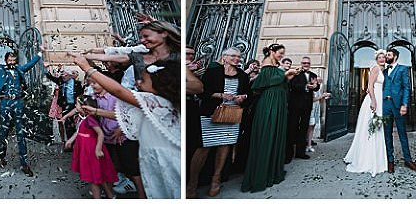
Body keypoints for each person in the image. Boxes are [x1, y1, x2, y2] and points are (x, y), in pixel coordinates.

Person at [72, 55, 180, 199]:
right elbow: (119, 114)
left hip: (164, 159)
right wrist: (96, 112)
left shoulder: (155, 101)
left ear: (159, 84)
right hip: (154, 158)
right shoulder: (157, 102)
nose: (138, 82)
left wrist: (87, 68)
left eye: (143, 80)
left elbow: (119, 91)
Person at [189, 48, 247, 197]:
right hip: (212, 112)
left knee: (224, 144)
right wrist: (221, 95)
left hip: (232, 113)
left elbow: (249, 93)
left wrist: (243, 97)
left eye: (238, 56)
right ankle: (192, 183)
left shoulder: (242, 75)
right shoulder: (213, 71)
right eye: (233, 56)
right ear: (225, 57)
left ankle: (216, 179)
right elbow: (202, 92)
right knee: (204, 147)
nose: (236, 59)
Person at [241, 44, 294, 192]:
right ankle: (260, 175)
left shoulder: (276, 65)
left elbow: (279, 83)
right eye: (280, 53)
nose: (281, 56)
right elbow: (266, 83)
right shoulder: (266, 64)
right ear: (272, 51)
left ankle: (272, 170)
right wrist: (286, 73)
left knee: (276, 134)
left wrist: (288, 76)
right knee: (267, 134)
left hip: (278, 101)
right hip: (269, 102)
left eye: (283, 54)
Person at [0, 41, 44, 177]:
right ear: (6, 60)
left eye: (14, 59)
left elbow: (31, 64)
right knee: (4, 132)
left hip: (18, 103)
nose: (12, 61)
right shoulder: (1, 69)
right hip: (6, 103)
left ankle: (24, 164)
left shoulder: (20, 69)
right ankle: (1, 157)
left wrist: (40, 52)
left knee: (21, 133)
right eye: (10, 59)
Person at [344, 50, 388, 176]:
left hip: (380, 98)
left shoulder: (383, 70)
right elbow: (370, 87)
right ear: (376, 59)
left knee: (377, 127)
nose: (381, 59)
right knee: (372, 127)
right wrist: (373, 101)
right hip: (374, 99)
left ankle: (377, 158)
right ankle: (368, 159)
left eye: (383, 57)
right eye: (379, 57)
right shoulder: (375, 69)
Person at [66, 111, 118, 199]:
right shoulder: (81, 117)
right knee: (95, 175)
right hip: (85, 149)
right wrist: (70, 140)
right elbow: (78, 131)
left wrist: (98, 149)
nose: (75, 106)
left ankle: (105, 195)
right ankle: (109, 194)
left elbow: (100, 133)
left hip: (91, 149)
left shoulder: (89, 119)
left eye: (77, 104)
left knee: (94, 176)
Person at [286, 56, 319, 161]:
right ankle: (288, 154)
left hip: (307, 106)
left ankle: (300, 152)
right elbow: (293, 85)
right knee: (292, 128)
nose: (306, 64)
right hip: (295, 105)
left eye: (308, 63)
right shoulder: (296, 73)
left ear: (310, 64)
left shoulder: (313, 75)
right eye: (304, 63)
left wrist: (315, 86)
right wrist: (306, 86)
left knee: (304, 129)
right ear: (301, 63)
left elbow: (317, 87)